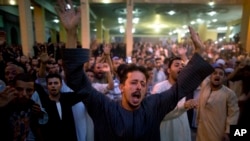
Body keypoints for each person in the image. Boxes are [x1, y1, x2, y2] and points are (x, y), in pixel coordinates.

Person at [56, 0, 213, 140]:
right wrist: (71, 33)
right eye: (134, 82)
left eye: (143, 84)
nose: (139, 87)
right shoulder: (105, 107)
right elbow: (78, 81)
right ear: (122, 86)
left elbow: (179, 88)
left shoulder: (153, 107)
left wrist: (199, 52)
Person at [151, 57, 196, 141]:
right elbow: (157, 113)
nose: (180, 67)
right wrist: (184, 106)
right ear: (168, 70)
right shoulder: (159, 87)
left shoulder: (184, 88)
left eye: (182, 65)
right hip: (166, 130)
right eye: (177, 65)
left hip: (182, 130)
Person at [196, 64, 239, 141]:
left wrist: (227, 132)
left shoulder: (229, 94)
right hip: (201, 132)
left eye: (221, 74)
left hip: (217, 133)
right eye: (214, 73)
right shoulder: (205, 85)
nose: (217, 75)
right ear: (210, 76)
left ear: (224, 78)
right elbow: (197, 71)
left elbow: (233, 115)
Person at [0, 73, 43, 141]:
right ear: (12, 88)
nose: (24, 94)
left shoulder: (33, 106)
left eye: (29, 90)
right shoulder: (5, 105)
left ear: (33, 91)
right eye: (19, 89)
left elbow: (35, 128)